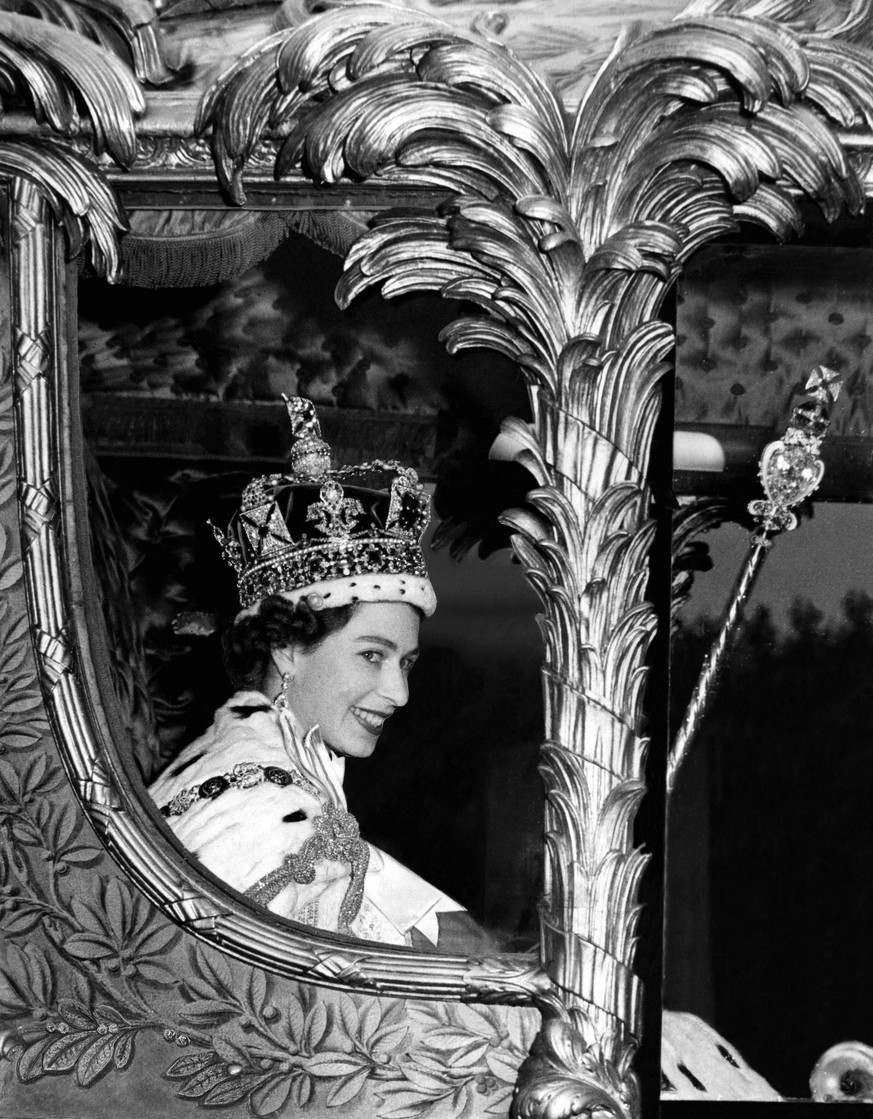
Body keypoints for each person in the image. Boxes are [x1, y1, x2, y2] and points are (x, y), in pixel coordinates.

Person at [149, 396, 474, 949]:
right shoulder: (263, 810)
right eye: (372, 655)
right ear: (286, 650)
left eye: (406, 663)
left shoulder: (279, 773)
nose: (398, 693)